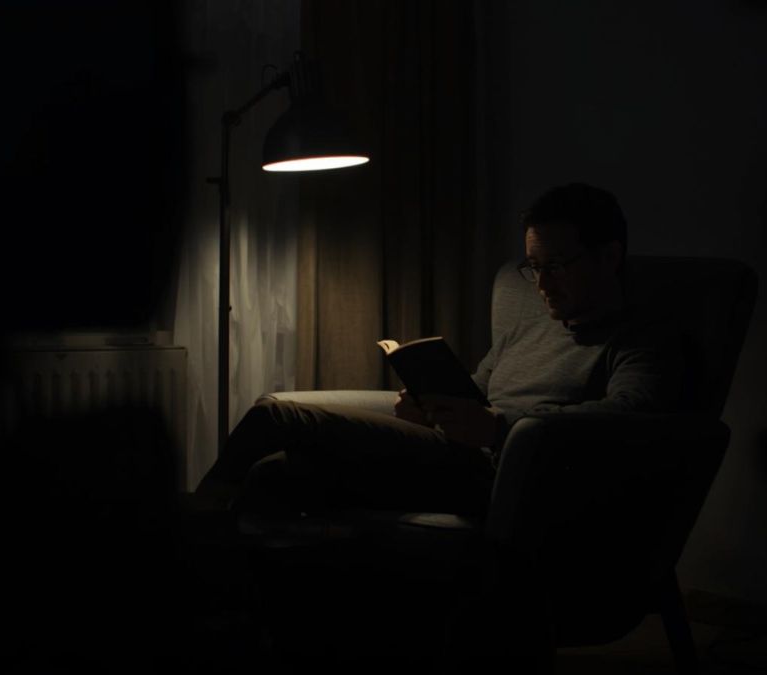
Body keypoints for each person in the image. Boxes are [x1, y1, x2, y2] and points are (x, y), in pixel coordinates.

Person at [191, 182, 683, 521]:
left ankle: (184, 539)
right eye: (533, 267)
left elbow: (629, 417)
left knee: (280, 415)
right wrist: (431, 408)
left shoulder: (641, 337)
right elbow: (479, 390)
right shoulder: (532, 324)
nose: (542, 286)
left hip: (506, 480)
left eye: (556, 265)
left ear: (609, 257)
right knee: (278, 475)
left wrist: (499, 428)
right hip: (450, 454)